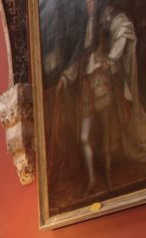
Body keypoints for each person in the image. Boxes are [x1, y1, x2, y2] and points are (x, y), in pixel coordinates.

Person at [58, 0, 146, 192]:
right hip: (86, 87)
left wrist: (112, 58)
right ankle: (92, 179)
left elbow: (124, 28)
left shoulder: (106, 17)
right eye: (86, 2)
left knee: (107, 132)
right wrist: (65, 77)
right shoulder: (84, 29)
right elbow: (79, 60)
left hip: (102, 83)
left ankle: (108, 175)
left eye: (91, 1)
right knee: (84, 137)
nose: (88, 4)